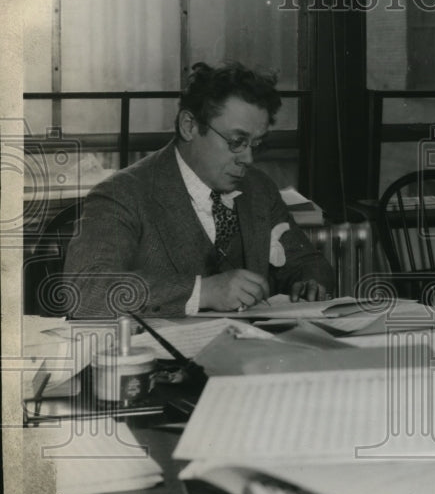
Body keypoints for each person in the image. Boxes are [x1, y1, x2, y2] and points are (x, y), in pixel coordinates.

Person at [63, 62, 336, 318]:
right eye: (236, 141)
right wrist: (202, 292)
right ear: (189, 126)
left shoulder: (258, 188)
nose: (248, 159)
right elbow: (85, 291)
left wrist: (309, 281)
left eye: (256, 143)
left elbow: (306, 261)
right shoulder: (123, 193)